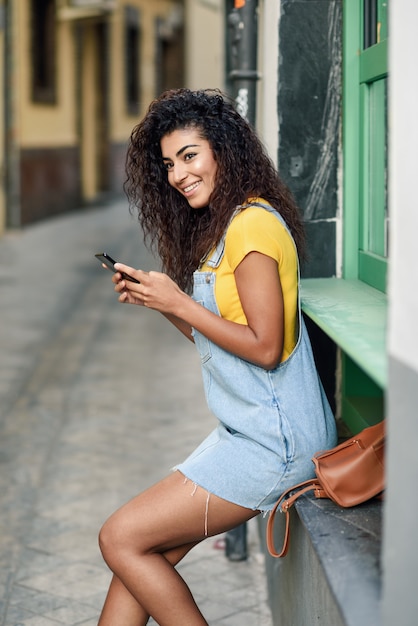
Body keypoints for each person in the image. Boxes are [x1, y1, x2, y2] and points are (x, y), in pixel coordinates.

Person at [97, 88, 337, 625]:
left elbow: (267, 349)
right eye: (168, 164)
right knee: (138, 556)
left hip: (275, 443)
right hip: (246, 431)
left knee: (120, 537)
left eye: (190, 156)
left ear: (223, 152)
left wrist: (179, 298)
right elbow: (223, 344)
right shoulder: (225, 225)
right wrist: (160, 304)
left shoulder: (252, 224)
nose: (179, 174)